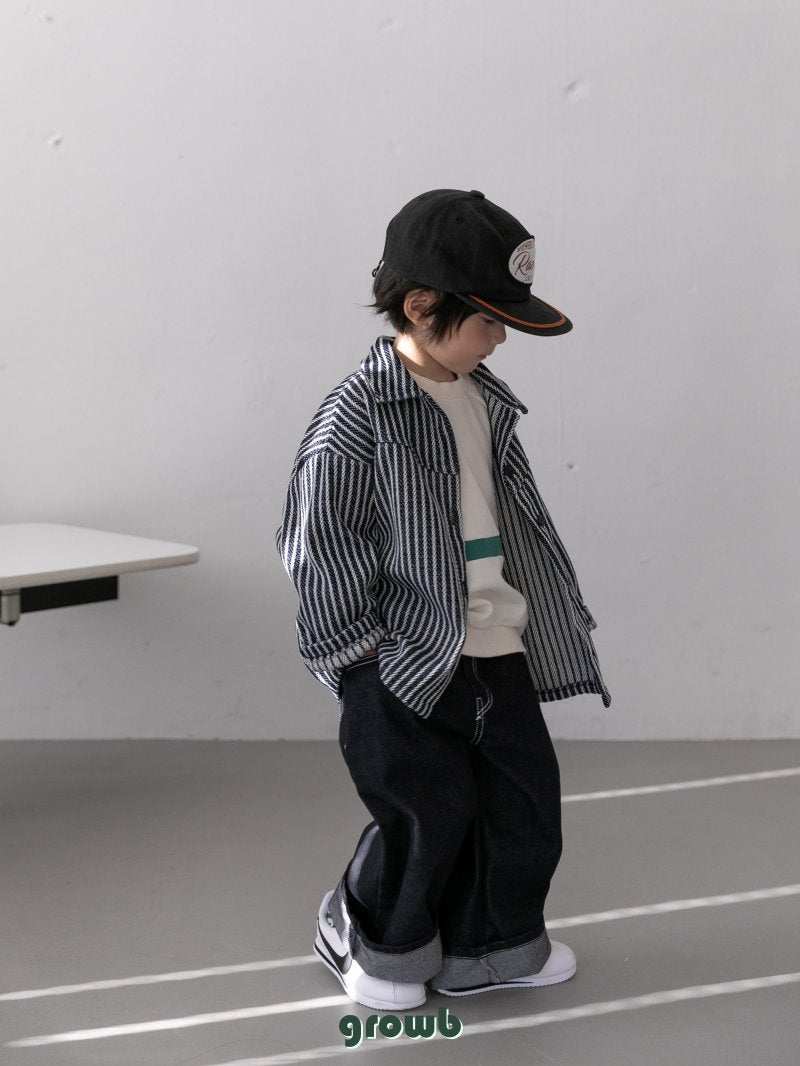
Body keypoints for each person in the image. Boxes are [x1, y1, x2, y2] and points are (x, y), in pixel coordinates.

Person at [275, 188, 611, 1011]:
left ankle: (490, 946)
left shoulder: (480, 396)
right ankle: (373, 939)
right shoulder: (358, 415)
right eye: (489, 320)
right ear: (423, 306)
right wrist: (358, 661)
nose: (501, 338)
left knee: (522, 803)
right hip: (405, 657)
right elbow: (319, 542)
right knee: (426, 810)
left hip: (496, 644)